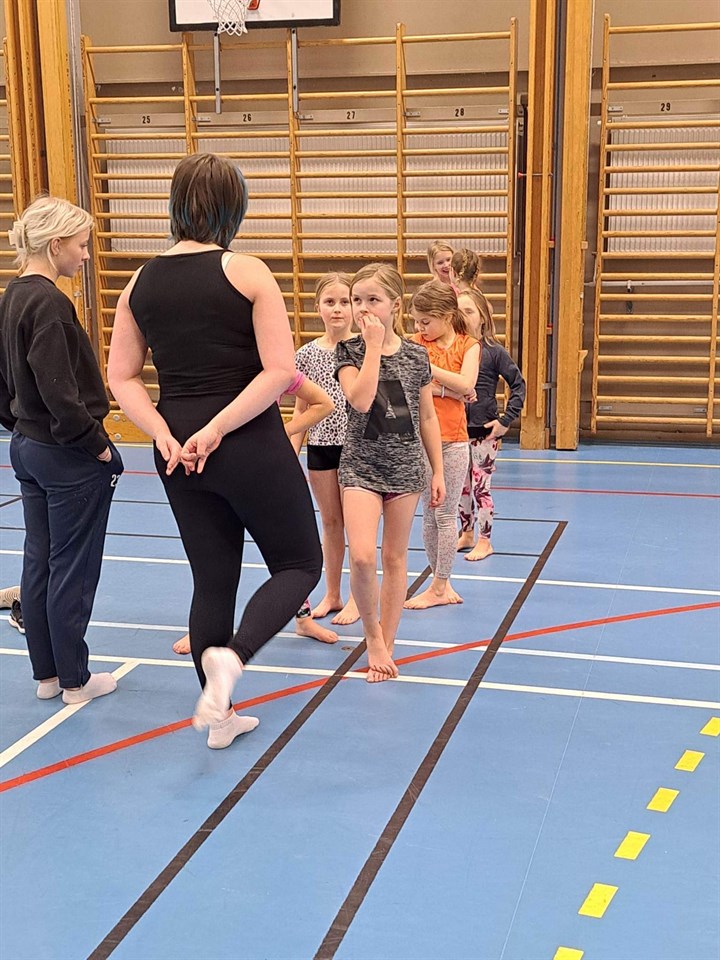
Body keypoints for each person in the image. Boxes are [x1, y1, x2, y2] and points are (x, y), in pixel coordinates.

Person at [107, 153, 323, 748]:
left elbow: (121, 376)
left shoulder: (138, 282)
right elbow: (278, 372)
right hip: (245, 440)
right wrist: (219, 427)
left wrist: (160, 431)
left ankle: (220, 719)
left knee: (212, 578)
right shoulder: (248, 272)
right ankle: (235, 657)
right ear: (235, 208)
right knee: (300, 565)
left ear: (175, 204)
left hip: (177, 448)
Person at [0, 196, 123, 703]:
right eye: (81, 245)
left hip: (28, 446)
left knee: (39, 561)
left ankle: (48, 676)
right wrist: (95, 445)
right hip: (64, 451)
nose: (86, 255)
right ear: (55, 246)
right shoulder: (49, 303)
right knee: (72, 565)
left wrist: (19, 425)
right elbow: (59, 389)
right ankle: (75, 679)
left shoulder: (11, 295)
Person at [171, 368, 337, 653]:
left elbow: (324, 403)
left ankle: (302, 618)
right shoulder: (216, 378)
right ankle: (203, 632)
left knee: (290, 562)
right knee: (216, 568)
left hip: (257, 463)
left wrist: (282, 433)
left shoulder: (271, 374)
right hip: (207, 463)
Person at [336, 263, 444, 683]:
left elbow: (428, 417)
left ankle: (388, 641)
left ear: (395, 305)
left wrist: (437, 471)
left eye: (373, 300)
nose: (362, 308)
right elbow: (361, 401)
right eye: (356, 300)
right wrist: (372, 348)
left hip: (405, 469)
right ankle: (372, 636)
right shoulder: (349, 351)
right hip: (361, 467)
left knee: (394, 557)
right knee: (362, 555)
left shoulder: (417, 356)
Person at [405, 281, 480, 609]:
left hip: (454, 440)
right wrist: (448, 391)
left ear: (447, 316)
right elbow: (412, 385)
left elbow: (467, 383)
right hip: (421, 439)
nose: (419, 328)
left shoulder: (468, 345)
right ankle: (440, 581)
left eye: (425, 322)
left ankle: (440, 583)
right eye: (416, 322)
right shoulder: (415, 343)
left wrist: (430, 370)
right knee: (429, 514)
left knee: (445, 514)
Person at [293, 273, 359, 625]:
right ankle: (332, 593)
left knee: (358, 527)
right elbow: (301, 410)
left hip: (358, 449)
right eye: (330, 302)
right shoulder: (306, 355)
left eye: (344, 302)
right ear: (317, 306)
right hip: (321, 447)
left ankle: (357, 598)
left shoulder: (364, 349)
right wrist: (290, 451)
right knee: (331, 522)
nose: (337, 309)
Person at [456, 288, 526, 560]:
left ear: (483, 317)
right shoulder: (454, 350)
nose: (462, 316)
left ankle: (485, 540)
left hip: (484, 432)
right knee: (461, 487)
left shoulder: (494, 352)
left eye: (469, 311)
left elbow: (518, 385)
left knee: (480, 487)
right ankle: (466, 532)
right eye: (458, 311)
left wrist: (506, 421)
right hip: (456, 431)